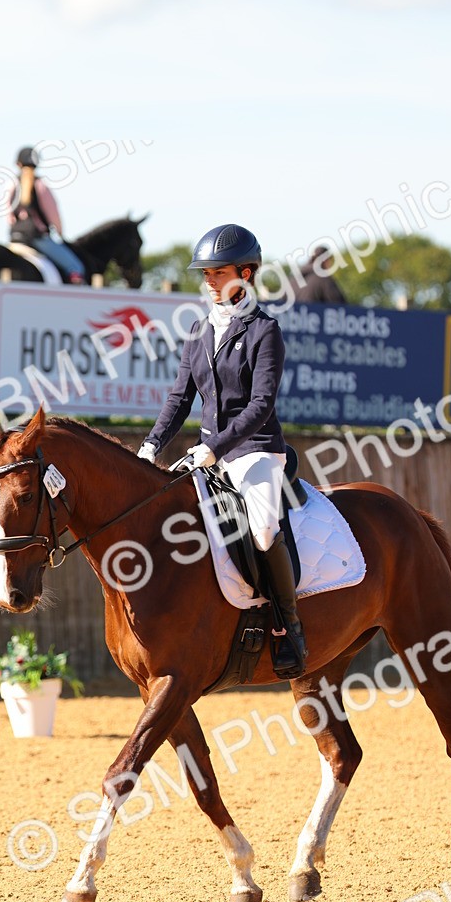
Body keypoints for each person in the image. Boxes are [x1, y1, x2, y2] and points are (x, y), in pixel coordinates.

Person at [138, 223, 307, 677]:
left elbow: (261, 403)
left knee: (265, 528)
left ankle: (287, 625)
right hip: (206, 453)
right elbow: (180, 397)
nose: (208, 280)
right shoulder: (198, 331)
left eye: (217, 271)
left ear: (246, 274)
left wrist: (213, 447)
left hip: (253, 451)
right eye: (205, 273)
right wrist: (151, 445)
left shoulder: (263, 330)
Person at [7, 147, 87, 284]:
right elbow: (53, 215)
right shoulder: (41, 185)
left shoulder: (11, 185)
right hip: (37, 238)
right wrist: (60, 233)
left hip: (15, 236)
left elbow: (8, 215)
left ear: (18, 164)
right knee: (76, 267)